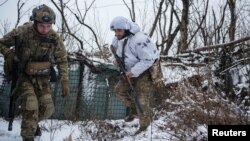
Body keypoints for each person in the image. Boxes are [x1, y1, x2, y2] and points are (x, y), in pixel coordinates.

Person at [0, 4, 69, 141]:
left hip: (42, 76)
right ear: (35, 22)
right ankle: (28, 136)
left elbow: (62, 59)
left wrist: (64, 81)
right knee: (31, 105)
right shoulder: (22, 31)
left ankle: (31, 122)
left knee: (48, 108)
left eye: (49, 26)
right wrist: (8, 54)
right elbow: (1, 43)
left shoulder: (54, 37)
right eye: (42, 26)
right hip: (23, 76)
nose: (45, 29)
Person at [110, 16, 160, 134]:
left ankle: (144, 126)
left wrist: (132, 72)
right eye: (115, 31)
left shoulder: (139, 40)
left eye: (119, 30)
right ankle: (135, 111)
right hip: (127, 71)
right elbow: (114, 54)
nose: (116, 33)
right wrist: (115, 61)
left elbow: (149, 59)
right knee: (119, 90)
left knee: (141, 99)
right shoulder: (116, 40)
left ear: (126, 29)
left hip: (144, 71)